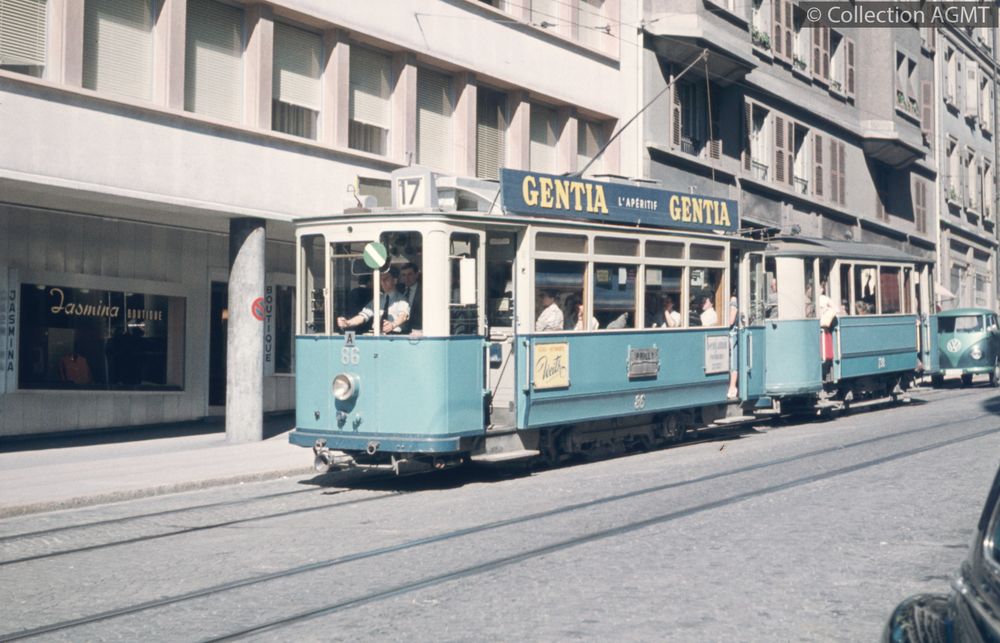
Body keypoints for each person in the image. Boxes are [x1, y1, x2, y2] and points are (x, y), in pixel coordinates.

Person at [337, 266, 410, 334]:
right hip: (376, 336)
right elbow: (364, 315)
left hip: (394, 336)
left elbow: (403, 316)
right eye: (381, 279)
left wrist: (393, 325)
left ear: (395, 280)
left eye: (386, 279)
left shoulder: (401, 299)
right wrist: (348, 323)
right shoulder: (377, 299)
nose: (383, 282)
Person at [399, 262, 422, 332]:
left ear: (416, 275)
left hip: (418, 332)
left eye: (410, 274)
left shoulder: (424, 291)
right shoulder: (398, 289)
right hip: (400, 331)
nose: (406, 278)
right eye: (404, 275)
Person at [727, 291, 739, 400]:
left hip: (733, 334)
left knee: (733, 361)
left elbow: (731, 320)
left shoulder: (733, 299)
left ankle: (732, 387)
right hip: (732, 333)